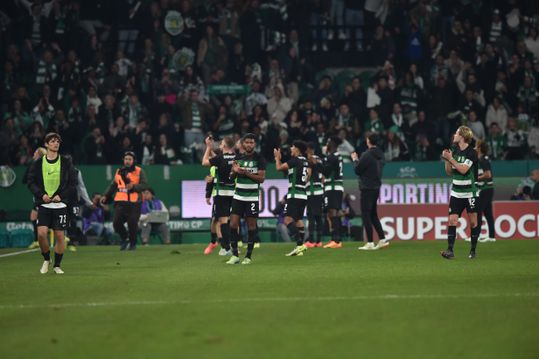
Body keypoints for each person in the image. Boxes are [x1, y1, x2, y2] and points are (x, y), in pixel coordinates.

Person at [27, 133, 77, 274]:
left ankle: (57, 265)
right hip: (44, 205)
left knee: (60, 236)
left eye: (58, 142)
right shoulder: (38, 163)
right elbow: (30, 182)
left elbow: (73, 183)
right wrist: (41, 195)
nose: (56, 144)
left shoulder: (66, 162)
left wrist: (61, 196)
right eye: (53, 141)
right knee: (41, 234)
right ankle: (46, 259)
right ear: (47, 144)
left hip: (60, 205)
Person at [440, 126, 480, 259]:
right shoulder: (454, 149)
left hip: (470, 193)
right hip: (456, 192)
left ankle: (473, 250)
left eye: (456, 133)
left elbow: (463, 169)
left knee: (473, 222)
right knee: (452, 221)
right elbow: (449, 172)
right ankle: (450, 250)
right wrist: (446, 160)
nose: (454, 135)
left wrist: (451, 159)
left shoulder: (471, 153)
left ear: (462, 136)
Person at [226, 133, 266, 265]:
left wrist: (246, 173)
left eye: (251, 142)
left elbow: (261, 179)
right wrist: (235, 171)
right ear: (243, 144)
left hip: (252, 197)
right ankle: (235, 255)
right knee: (232, 224)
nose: (249, 144)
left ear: (255, 144)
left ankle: (248, 256)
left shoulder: (259, 158)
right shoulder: (238, 157)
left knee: (251, 226)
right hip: (238, 196)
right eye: (247, 142)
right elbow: (231, 178)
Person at [101, 151, 148, 250]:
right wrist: (106, 195)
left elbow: (145, 185)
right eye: (126, 159)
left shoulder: (139, 171)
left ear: (133, 161)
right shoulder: (119, 171)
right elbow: (113, 185)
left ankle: (133, 244)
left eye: (130, 159)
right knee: (116, 223)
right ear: (123, 160)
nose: (127, 161)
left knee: (132, 224)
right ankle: (125, 239)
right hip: (120, 202)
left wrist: (133, 186)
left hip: (134, 202)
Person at [351, 133, 388, 250]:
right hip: (376, 187)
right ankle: (382, 239)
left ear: (368, 141)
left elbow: (357, 170)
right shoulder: (380, 154)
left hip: (367, 188)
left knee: (366, 214)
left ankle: (370, 242)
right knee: (373, 214)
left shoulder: (366, 155)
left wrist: (355, 159)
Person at [274, 140, 311, 257]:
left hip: (294, 195)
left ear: (297, 149)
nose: (291, 148)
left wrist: (277, 158)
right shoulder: (307, 162)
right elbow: (308, 176)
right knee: (299, 220)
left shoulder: (294, 161)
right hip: (303, 194)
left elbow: (279, 168)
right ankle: (300, 247)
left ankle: (299, 245)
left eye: (292, 147)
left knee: (287, 220)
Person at [202, 135, 236, 256]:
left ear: (225, 145)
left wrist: (208, 147)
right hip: (234, 193)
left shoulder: (220, 158)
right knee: (231, 220)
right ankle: (231, 246)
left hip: (221, 193)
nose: (220, 145)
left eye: (221, 143)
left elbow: (204, 162)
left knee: (223, 221)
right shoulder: (237, 158)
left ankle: (227, 248)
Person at [322, 136, 344, 248]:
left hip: (332, 187)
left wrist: (318, 164)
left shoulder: (331, 157)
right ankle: (337, 239)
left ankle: (335, 239)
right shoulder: (338, 156)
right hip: (338, 187)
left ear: (332, 145)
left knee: (332, 212)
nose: (326, 145)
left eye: (328, 142)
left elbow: (326, 172)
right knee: (334, 212)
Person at [23, 147, 46, 250]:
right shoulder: (33, 165)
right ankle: (37, 241)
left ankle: (63, 237)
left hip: (42, 196)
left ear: (39, 154)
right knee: (33, 217)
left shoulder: (42, 165)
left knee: (43, 219)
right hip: (37, 196)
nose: (33, 154)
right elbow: (25, 179)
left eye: (36, 152)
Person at [475, 140, 496, 243]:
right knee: (488, 213)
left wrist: (476, 178)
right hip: (487, 189)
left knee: (478, 212)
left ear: (479, 148)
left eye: (476, 146)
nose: (474, 147)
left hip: (485, 189)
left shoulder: (484, 160)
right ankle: (492, 237)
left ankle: (476, 236)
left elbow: (488, 174)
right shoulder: (481, 159)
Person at [304, 142, 325, 248]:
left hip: (311, 192)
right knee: (318, 216)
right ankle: (319, 241)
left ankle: (311, 241)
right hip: (319, 191)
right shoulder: (320, 160)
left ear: (309, 150)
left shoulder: (309, 161)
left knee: (311, 216)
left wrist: (303, 181)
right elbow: (323, 177)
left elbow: (309, 174)